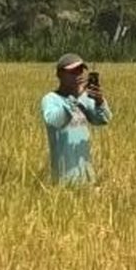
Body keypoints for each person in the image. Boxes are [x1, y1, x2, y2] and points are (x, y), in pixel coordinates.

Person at [41, 53, 112, 185]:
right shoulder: (50, 99)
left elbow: (103, 120)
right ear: (60, 75)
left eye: (80, 70)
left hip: (87, 176)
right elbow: (55, 121)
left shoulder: (85, 97)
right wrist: (74, 99)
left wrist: (99, 101)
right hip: (63, 177)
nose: (78, 74)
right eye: (72, 71)